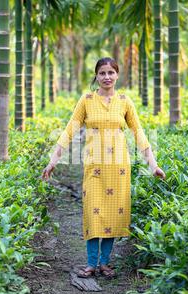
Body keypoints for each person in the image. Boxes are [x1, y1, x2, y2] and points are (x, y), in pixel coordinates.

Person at [41, 57, 165, 279]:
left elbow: (139, 133)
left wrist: (153, 165)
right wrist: (53, 160)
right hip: (94, 167)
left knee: (112, 215)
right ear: (96, 76)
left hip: (119, 168)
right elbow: (69, 130)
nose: (107, 77)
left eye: (111, 73)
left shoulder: (125, 101)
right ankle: (90, 263)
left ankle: (105, 264)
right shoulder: (86, 100)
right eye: (102, 73)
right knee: (93, 212)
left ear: (117, 75)